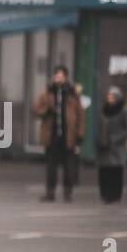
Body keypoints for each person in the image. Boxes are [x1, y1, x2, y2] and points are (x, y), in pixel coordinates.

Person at [33, 65, 84, 203]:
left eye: (61, 76)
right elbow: (36, 110)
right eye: (56, 76)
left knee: (69, 167)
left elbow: (80, 115)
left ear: (66, 77)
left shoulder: (72, 94)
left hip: (69, 136)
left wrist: (80, 134)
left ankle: (68, 193)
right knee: (51, 167)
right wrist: (46, 111)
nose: (58, 78)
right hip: (52, 136)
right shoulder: (47, 93)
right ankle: (50, 193)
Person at [96, 85, 127, 204]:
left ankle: (115, 195)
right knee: (104, 172)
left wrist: (117, 139)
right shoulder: (103, 110)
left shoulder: (124, 110)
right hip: (104, 146)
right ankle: (105, 195)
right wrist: (100, 140)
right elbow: (100, 127)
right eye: (108, 96)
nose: (109, 98)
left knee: (115, 172)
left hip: (117, 147)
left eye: (112, 96)